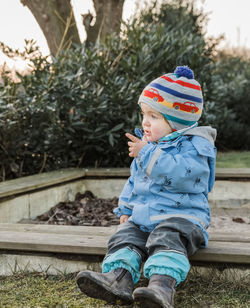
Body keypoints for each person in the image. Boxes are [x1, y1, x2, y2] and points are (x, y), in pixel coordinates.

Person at [76, 66, 217, 308]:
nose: (145, 122)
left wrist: (148, 153)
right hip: (145, 217)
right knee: (125, 237)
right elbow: (135, 181)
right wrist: (126, 209)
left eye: (154, 116)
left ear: (177, 120)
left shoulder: (196, 146)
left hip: (182, 218)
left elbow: (184, 175)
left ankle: (161, 287)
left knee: (166, 238)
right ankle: (117, 279)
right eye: (144, 114)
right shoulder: (149, 145)